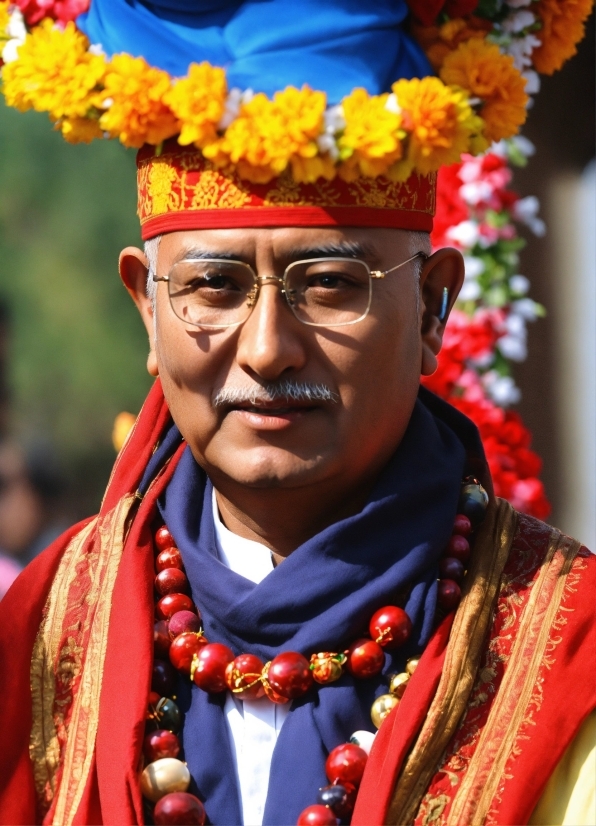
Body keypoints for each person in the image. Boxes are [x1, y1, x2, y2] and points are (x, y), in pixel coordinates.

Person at [0, 2, 594, 825]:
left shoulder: (568, 646)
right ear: (147, 308)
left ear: (432, 309)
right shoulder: (41, 634)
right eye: (214, 287)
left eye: (329, 285)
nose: (268, 348)